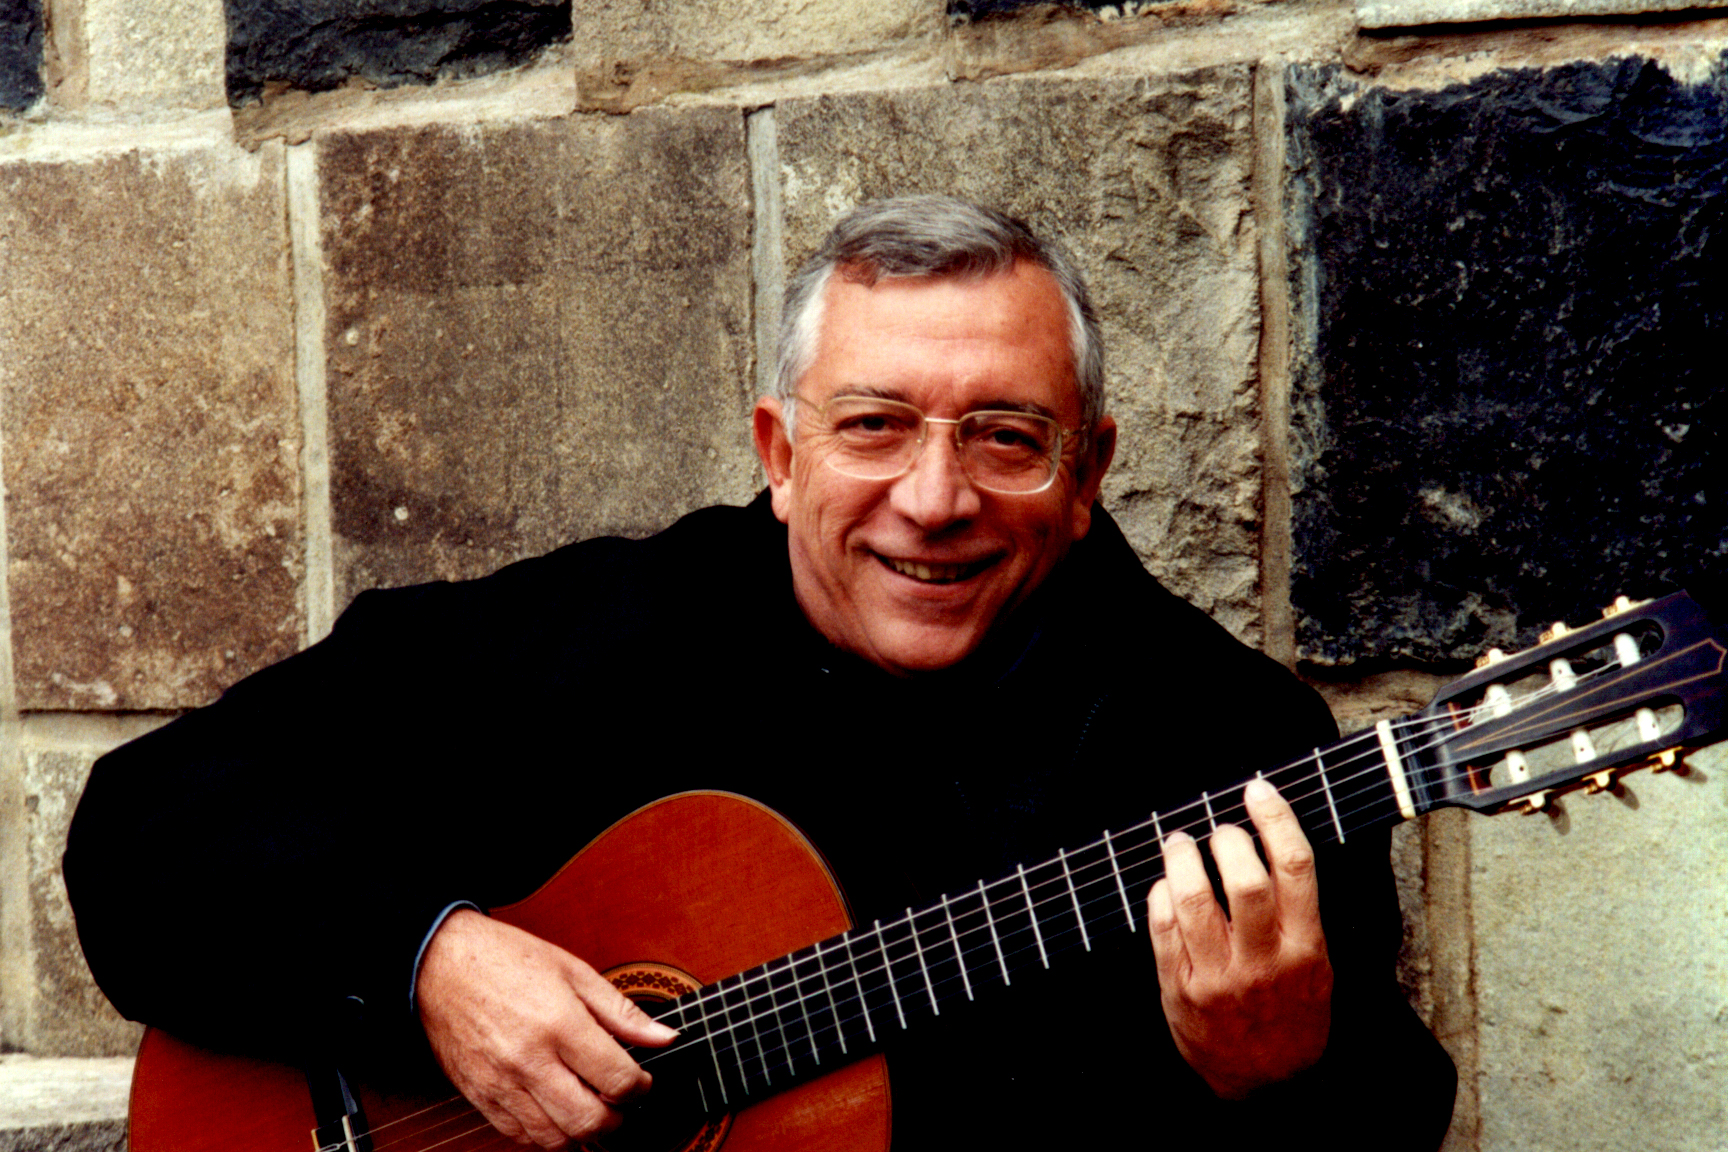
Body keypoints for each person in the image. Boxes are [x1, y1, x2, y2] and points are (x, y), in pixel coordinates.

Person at [65, 196, 1456, 1149]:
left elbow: (1376, 1123)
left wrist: (1277, 1077)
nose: (933, 497)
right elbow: (145, 826)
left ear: (1085, 474)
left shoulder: (1233, 755)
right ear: (780, 456)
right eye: (872, 427)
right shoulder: (601, 637)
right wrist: (429, 961)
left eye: (1005, 438)